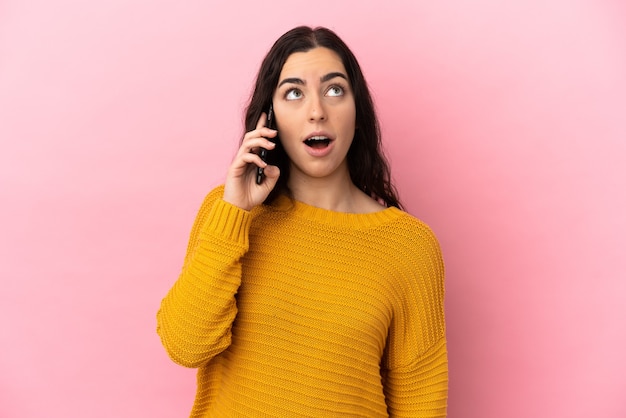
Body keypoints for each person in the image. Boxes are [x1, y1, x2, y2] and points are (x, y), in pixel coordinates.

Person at [157, 26, 448, 417]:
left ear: (357, 112)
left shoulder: (409, 247)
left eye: (334, 90)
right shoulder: (227, 213)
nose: (316, 111)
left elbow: (420, 404)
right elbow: (185, 345)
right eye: (294, 93)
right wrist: (234, 214)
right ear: (269, 118)